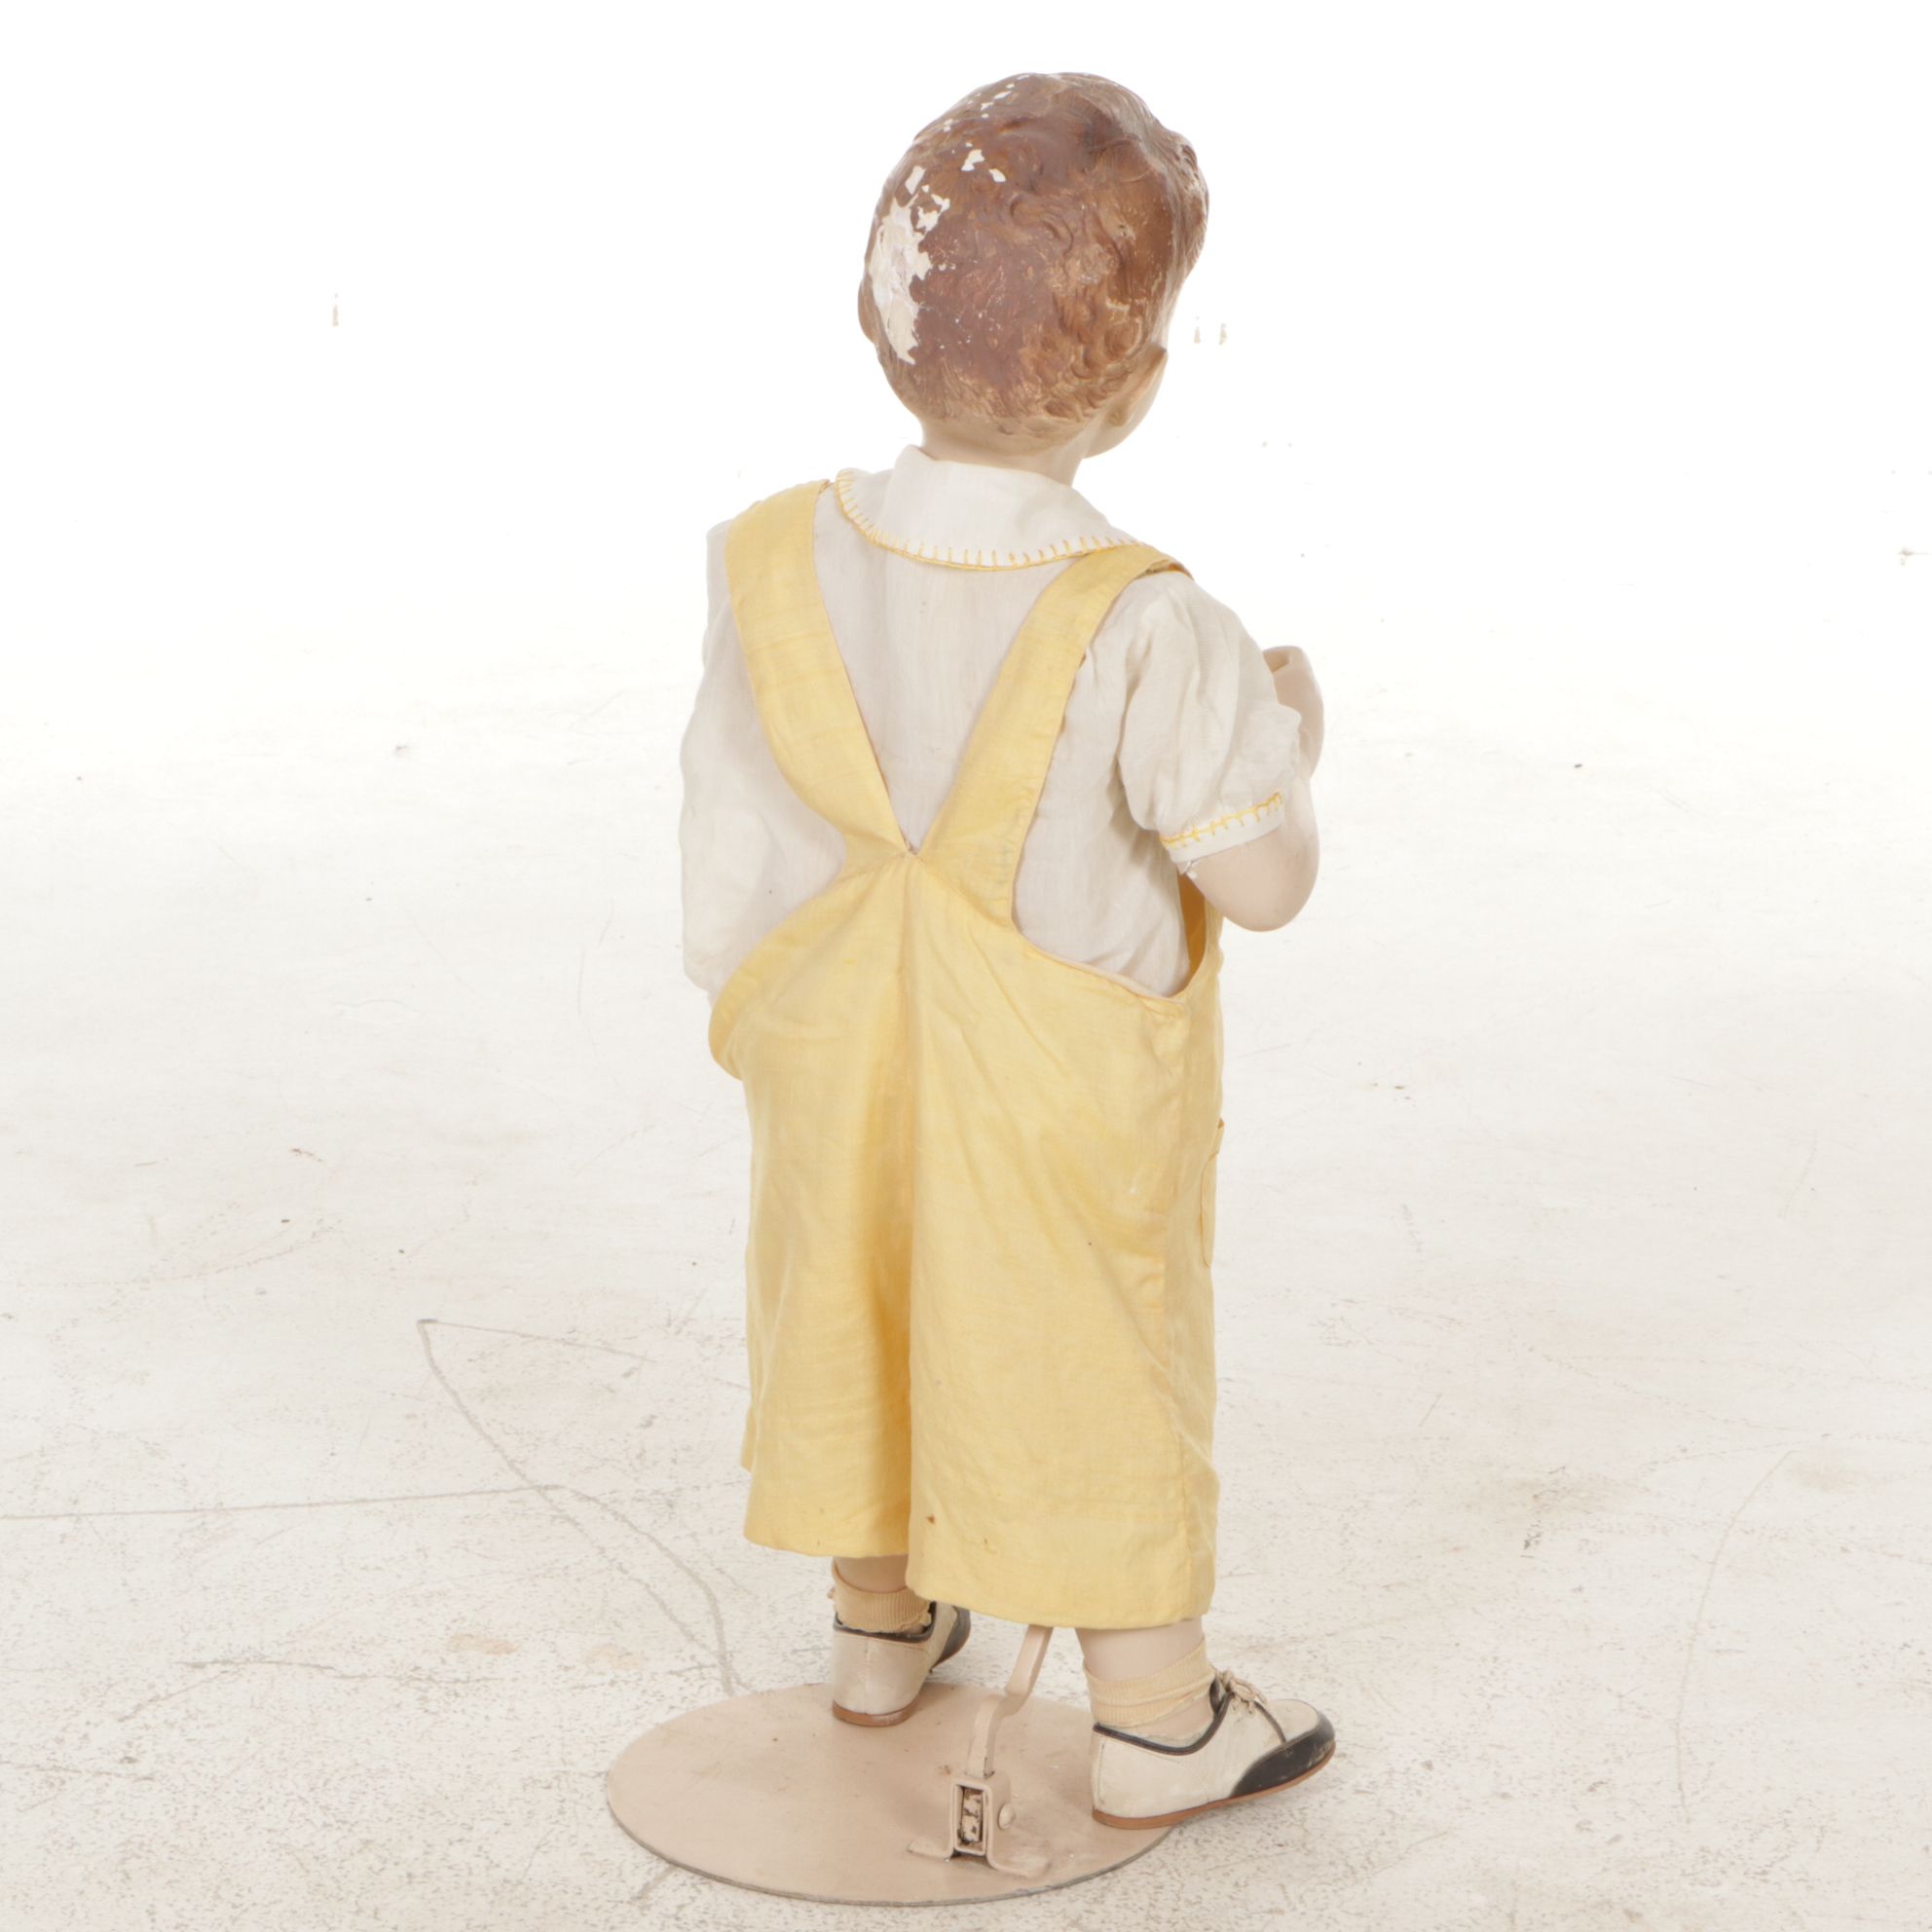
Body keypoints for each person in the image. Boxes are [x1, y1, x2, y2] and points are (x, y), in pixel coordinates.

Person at [677, 70, 1335, 1829]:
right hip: (1055, 1091)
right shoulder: (1151, 620)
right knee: (1080, 1346)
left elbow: (732, 819)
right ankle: (1159, 1721)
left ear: (875, 318)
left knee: (858, 1296)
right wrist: (1284, 743)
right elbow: (1262, 884)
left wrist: (764, 1005)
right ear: (1139, 382)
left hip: (832, 1046)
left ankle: (878, 1631)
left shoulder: (770, 558)